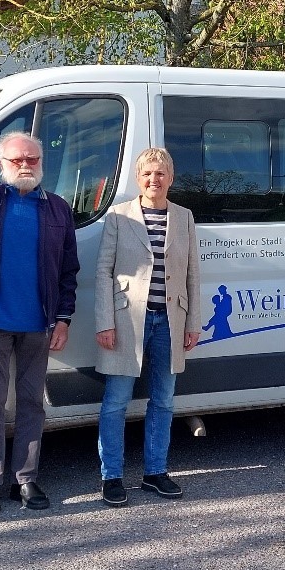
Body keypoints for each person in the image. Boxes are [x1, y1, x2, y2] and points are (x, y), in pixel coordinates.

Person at [0, 131, 80, 516]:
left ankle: (26, 478)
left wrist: (63, 318)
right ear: (2, 164)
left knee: (31, 404)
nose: (25, 165)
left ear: (41, 163)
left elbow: (68, 271)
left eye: (32, 159)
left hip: (39, 324)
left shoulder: (58, 209)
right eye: (16, 159)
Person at [94, 148, 202, 507]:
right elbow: (104, 272)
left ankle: (155, 472)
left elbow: (192, 274)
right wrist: (105, 322)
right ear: (138, 178)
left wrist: (192, 322)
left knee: (164, 400)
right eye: (147, 174)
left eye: (160, 173)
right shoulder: (119, 215)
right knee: (116, 402)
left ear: (170, 178)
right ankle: (112, 476)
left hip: (170, 321)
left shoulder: (184, 217)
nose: (153, 179)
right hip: (126, 321)